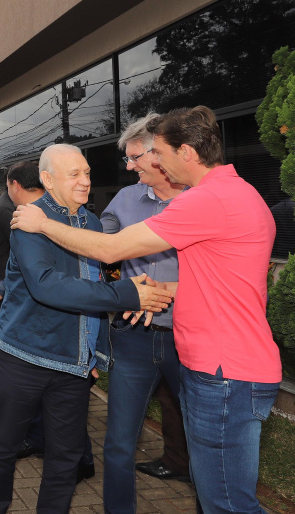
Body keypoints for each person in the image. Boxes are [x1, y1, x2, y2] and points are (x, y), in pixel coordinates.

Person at [11, 107, 281, 514]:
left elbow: (109, 249)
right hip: (232, 365)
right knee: (224, 499)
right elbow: (218, 282)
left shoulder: (207, 200)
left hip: (224, 372)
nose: (155, 161)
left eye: (159, 152)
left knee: (228, 504)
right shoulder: (239, 191)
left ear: (185, 153)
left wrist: (42, 222)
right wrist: (150, 291)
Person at [0, 144, 173, 513]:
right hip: (25, 357)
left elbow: (96, 279)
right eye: (75, 175)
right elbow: (47, 285)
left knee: (65, 458)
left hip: (73, 366)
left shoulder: (92, 222)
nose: (85, 181)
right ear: (48, 180)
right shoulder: (28, 220)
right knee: (4, 447)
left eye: (86, 173)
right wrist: (126, 294)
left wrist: (95, 348)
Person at [100, 114, 190, 514]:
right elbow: (105, 239)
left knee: (205, 438)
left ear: (161, 155)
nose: (129, 165)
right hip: (135, 334)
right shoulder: (126, 198)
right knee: (119, 442)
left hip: (189, 336)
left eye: (135, 157)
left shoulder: (198, 201)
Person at [0, 160, 44, 401]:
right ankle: (2, 404)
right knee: (4, 348)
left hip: (2, 284)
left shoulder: (14, 206)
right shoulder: (9, 209)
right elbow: (33, 254)